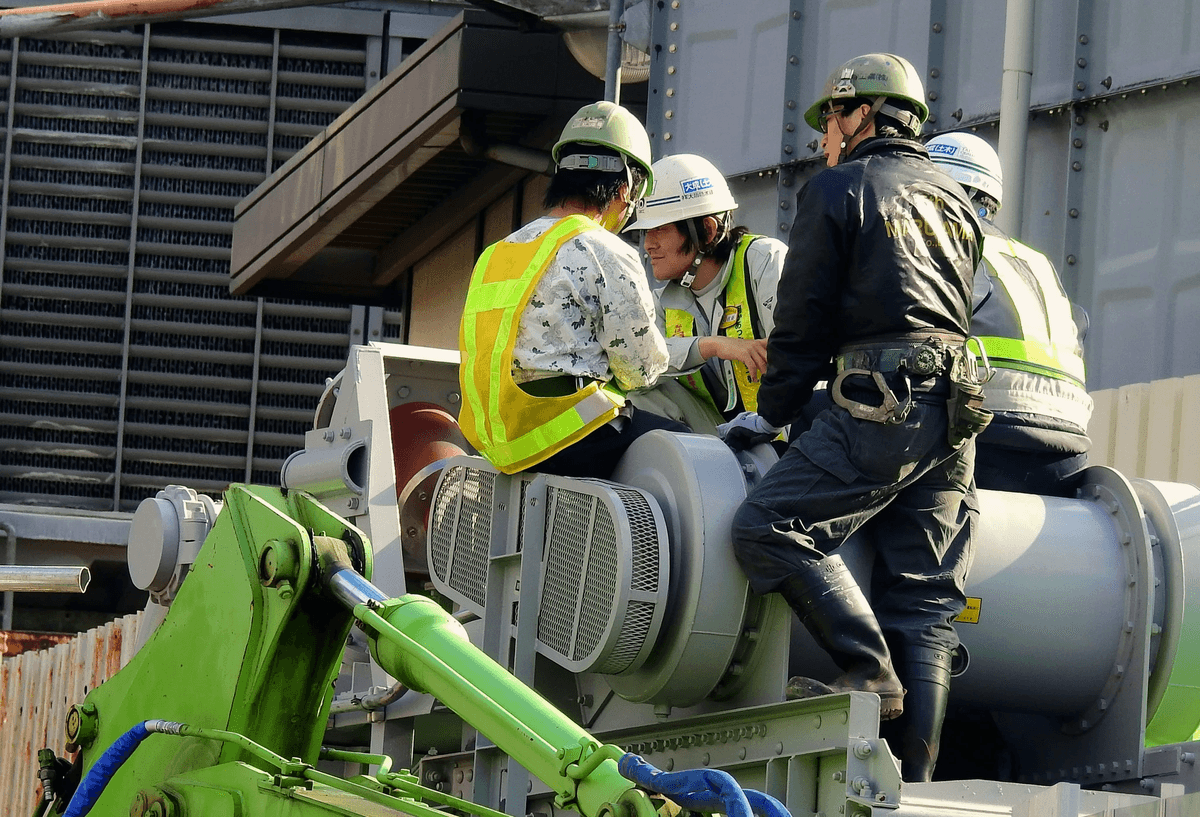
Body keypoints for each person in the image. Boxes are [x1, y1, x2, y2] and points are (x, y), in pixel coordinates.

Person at [720, 54, 986, 783]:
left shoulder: (838, 189)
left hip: (882, 400)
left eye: (831, 119)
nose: (823, 137)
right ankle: (915, 787)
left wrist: (768, 416)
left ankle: (867, 670)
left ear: (864, 115)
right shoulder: (957, 199)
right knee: (927, 600)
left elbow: (802, 321)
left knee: (766, 525)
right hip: (956, 410)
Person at [457, 100, 687, 479]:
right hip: (566, 435)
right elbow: (641, 370)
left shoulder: (496, 253)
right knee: (691, 451)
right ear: (628, 186)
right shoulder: (603, 248)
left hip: (500, 443)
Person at [926, 131, 1093, 497]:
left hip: (990, 431)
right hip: (1068, 443)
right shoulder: (1034, 261)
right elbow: (1079, 325)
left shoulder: (946, 245)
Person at [624, 154, 787, 426]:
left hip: (784, 431)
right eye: (645, 232)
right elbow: (637, 364)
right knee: (637, 391)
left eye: (659, 229)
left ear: (708, 231)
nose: (648, 244)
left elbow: (795, 357)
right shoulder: (663, 302)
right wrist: (713, 346)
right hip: (723, 438)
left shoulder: (763, 261)